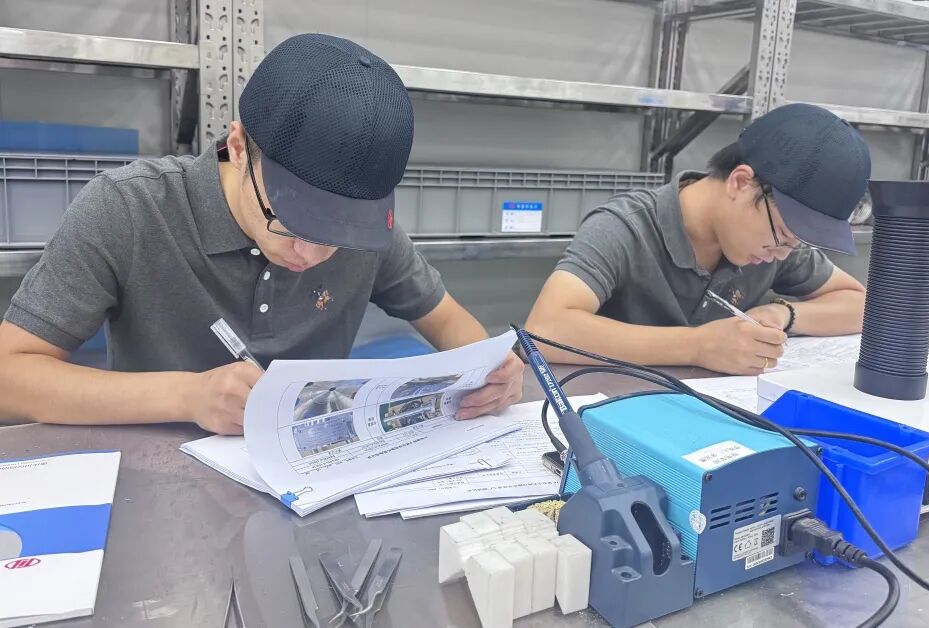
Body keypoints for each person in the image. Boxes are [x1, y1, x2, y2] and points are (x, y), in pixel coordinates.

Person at [0, 34, 522, 434]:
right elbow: (9, 376)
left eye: (335, 234)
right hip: (157, 480)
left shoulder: (359, 231)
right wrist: (188, 396)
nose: (311, 253)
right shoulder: (129, 209)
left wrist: (491, 371)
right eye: (290, 223)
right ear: (238, 147)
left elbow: (447, 318)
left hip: (314, 475)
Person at [525, 103, 870, 375]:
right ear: (740, 183)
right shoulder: (626, 227)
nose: (783, 253)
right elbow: (545, 329)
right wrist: (697, 346)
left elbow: (860, 305)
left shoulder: (776, 243)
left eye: (796, 242)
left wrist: (783, 313)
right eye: (783, 234)